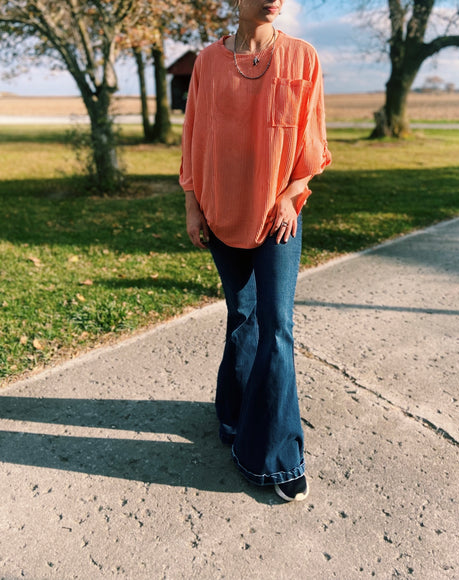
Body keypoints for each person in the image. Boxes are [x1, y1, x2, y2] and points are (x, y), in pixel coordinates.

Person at [179, 0, 331, 502]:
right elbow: (194, 135)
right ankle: (234, 415)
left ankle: (273, 458)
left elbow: (313, 145)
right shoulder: (206, 62)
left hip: (277, 217)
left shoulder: (303, 58)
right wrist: (191, 204)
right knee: (241, 315)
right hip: (220, 210)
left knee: (277, 325)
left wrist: (291, 198)